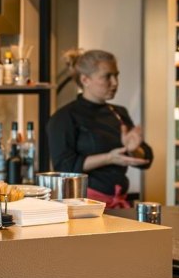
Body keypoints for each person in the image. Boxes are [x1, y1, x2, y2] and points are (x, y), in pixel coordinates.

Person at [47, 49, 152, 208]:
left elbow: (146, 159)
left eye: (116, 75)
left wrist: (133, 150)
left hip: (120, 203)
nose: (115, 82)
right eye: (107, 76)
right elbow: (64, 167)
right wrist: (109, 158)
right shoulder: (63, 118)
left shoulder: (119, 113)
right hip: (83, 206)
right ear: (85, 79)